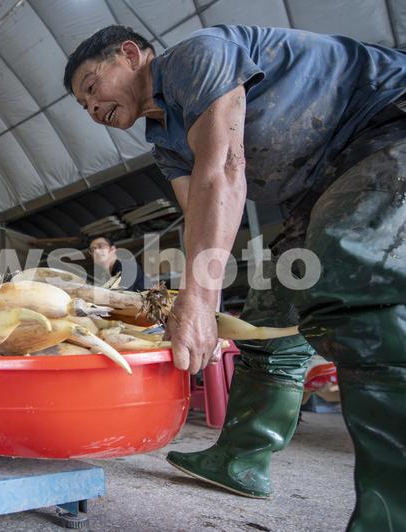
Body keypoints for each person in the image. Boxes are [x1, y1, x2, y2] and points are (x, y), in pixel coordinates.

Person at [65, 24, 405, 529]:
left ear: (131, 55)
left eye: (93, 87)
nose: (93, 108)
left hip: (386, 124)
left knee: (352, 276)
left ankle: (391, 514)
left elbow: (224, 169)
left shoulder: (197, 57)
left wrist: (202, 303)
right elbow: (200, 212)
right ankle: (240, 460)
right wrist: (195, 304)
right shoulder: (164, 140)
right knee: (269, 315)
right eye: (83, 105)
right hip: (319, 186)